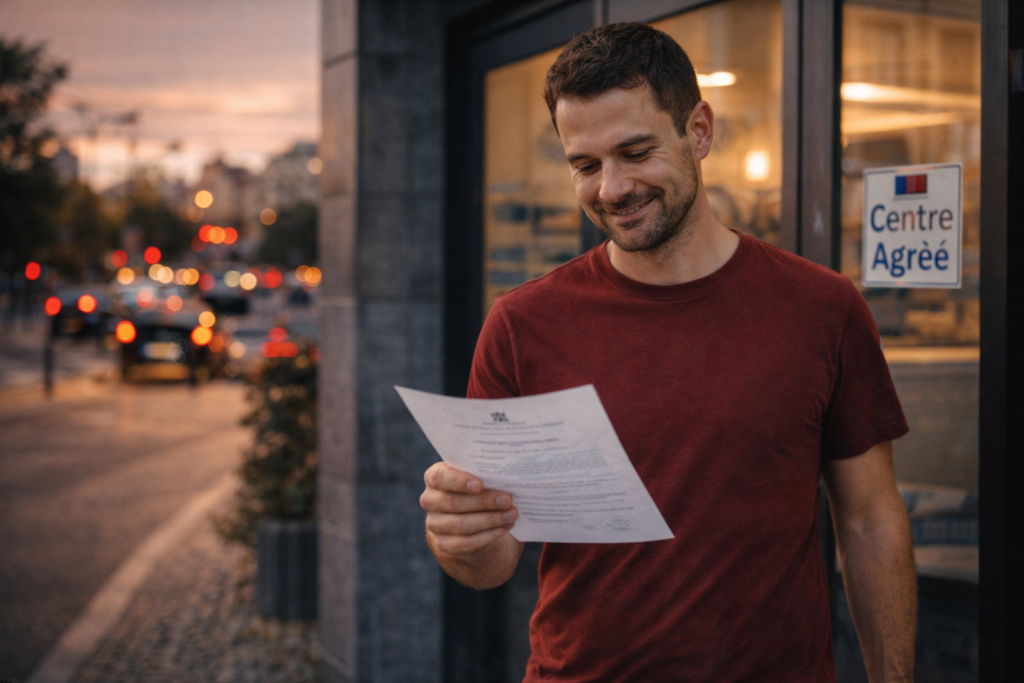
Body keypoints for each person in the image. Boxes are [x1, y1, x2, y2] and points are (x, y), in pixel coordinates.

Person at [420, 22, 916, 682]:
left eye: (635, 151)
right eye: (585, 165)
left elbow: (870, 522)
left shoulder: (823, 308)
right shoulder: (522, 324)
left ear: (700, 131)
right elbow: (492, 563)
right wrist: (461, 537)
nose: (612, 187)